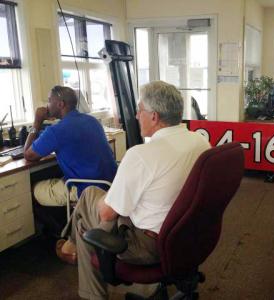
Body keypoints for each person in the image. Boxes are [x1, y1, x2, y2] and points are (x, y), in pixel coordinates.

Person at [59, 81, 210, 300]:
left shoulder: (140, 155)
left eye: (140, 110)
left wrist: (112, 200)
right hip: (190, 235)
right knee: (92, 208)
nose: (137, 115)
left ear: (155, 116)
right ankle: (74, 245)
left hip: (148, 245)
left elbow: (107, 214)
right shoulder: (200, 142)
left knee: (88, 206)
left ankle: (77, 258)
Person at [24, 85, 118, 207]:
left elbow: (28, 155)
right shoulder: (92, 120)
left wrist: (37, 122)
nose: (47, 105)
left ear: (60, 104)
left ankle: (58, 225)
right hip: (110, 184)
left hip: (87, 189)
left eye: (49, 100)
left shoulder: (56, 131)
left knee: (34, 189)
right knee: (58, 178)